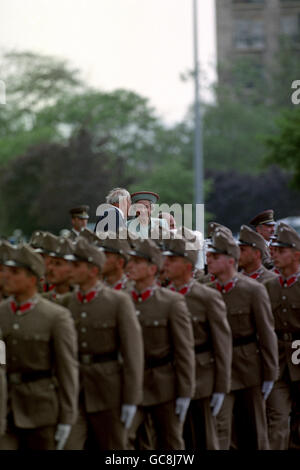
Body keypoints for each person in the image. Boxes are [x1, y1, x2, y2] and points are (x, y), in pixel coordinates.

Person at [59, 237, 144, 450]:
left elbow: (133, 354)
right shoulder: (67, 303)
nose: (70, 269)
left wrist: (131, 399)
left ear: (92, 271)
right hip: (76, 389)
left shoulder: (118, 302)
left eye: (76, 265)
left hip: (109, 391)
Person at [0, 244, 79, 450]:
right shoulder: (2, 314)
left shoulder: (55, 317)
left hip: (42, 411)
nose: (6, 276)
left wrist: (67, 418)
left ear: (33, 279)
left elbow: (67, 370)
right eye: (6, 271)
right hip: (6, 409)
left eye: (15, 272)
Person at [206, 228, 278, 450]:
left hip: (249, 367)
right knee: (220, 429)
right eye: (208, 256)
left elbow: (266, 334)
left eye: (215, 257)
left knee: (255, 430)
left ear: (230, 260)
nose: (208, 260)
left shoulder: (253, 290)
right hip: (218, 369)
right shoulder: (206, 291)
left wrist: (269, 374)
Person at [163, 231, 232, 450]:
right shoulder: (162, 296)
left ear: (186, 264)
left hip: (202, 378)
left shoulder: (207, 298)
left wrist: (221, 387)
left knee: (203, 438)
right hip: (168, 377)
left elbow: (221, 345)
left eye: (172, 260)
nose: (165, 264)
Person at [126, 238, 195, 449]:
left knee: (170, 443)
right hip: (133, 385)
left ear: (152, 269)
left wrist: (185, 393)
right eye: (131, 261)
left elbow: (184, 351)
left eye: (138, 262)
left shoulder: (171, 302)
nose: (131, 266)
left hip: (164, 385)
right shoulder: (123, 300)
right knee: (123, 439)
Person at [264, 223, 300, 450]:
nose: (275, 255)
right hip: (278, 360)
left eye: (281, 251)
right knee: (277, 419)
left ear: (296, 254)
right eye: (274, 250)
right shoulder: (268, 287)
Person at [42, 237, 77, 301]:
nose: (51, 268)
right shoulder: (42, 299)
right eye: (51, 262)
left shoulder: (79, 301)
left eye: (58, 264)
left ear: (72, 268)